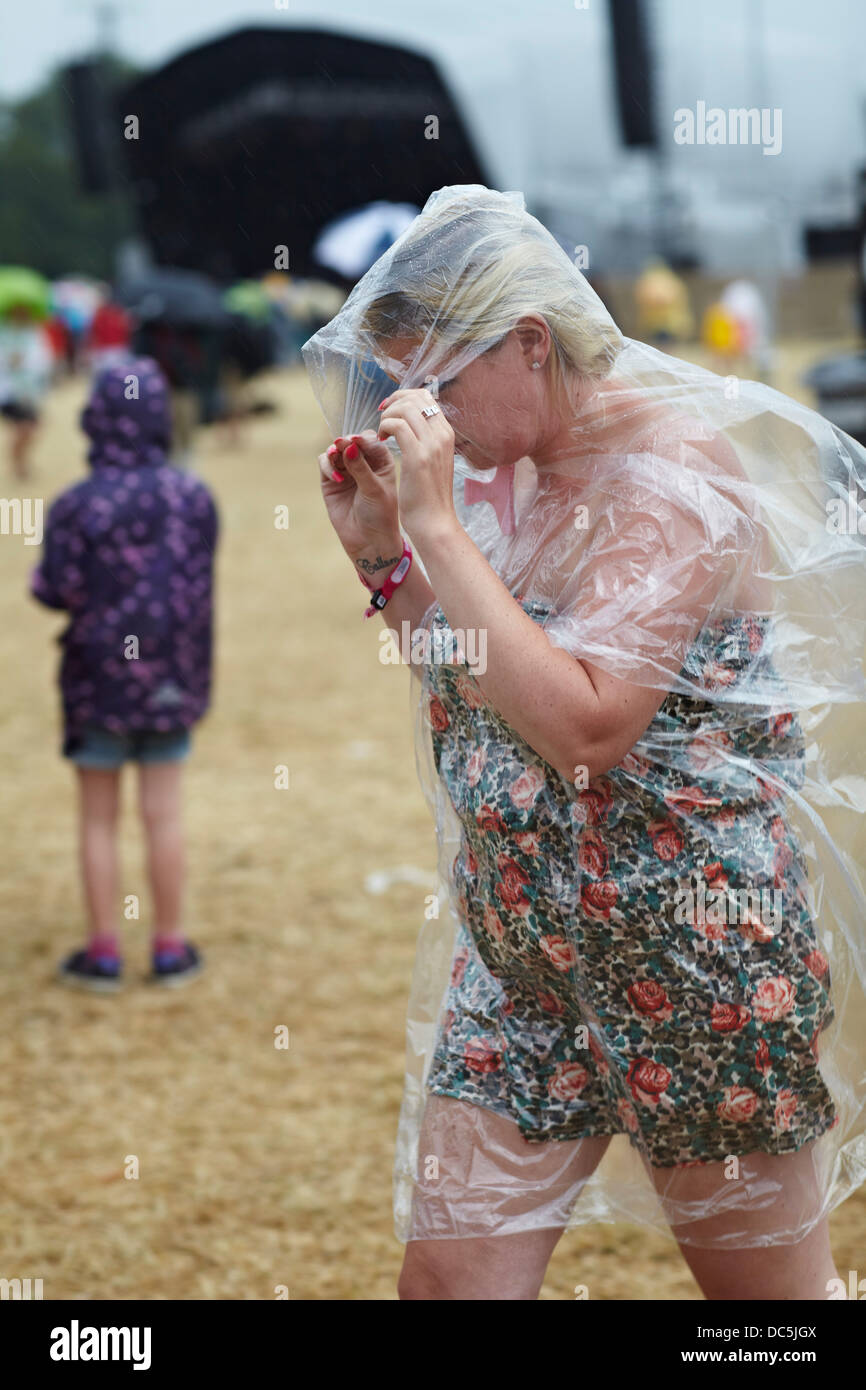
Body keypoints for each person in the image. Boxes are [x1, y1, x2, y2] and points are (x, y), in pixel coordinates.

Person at [303, 185, 866, 1300]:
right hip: (522, 965)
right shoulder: (510, 477)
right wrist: (387, 563)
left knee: (765, 1316)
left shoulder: (672, 472)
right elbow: (483, 679)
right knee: (445, 1289)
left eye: (435, 383)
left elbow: (586, 722)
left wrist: (431, 528)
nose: (417, 413)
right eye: (397, 383)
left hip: (694, 963)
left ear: (526, 344)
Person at [30, 358, 219, 991]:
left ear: (94, 421)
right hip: (171, 681)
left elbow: (54, 589)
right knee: (164, 815)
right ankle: (169, 948)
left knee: (97, 818)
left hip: (94, 683)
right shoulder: (193, 498)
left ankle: (104, 952)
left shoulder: (75, 506)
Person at [0, 305, 53, 479]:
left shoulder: (34, 334)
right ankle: (19, 465)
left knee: (32, 427)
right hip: (9, 391)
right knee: (25, 428)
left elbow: (44, 359)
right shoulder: (4, 333)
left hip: (30, 390)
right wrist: (9, 361)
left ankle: (20, 461)